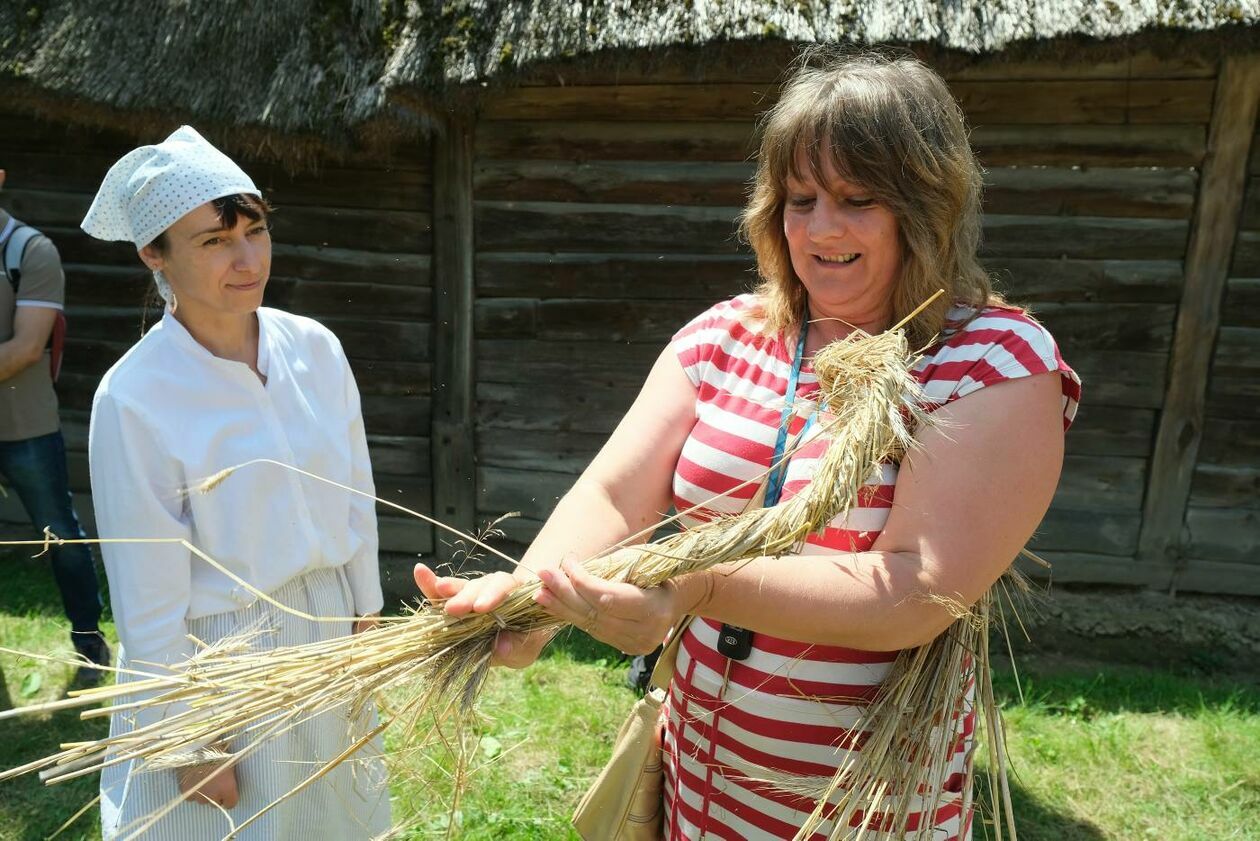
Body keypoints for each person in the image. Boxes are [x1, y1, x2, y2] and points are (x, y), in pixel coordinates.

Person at [415, 50, 1081, 840]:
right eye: (801, 199)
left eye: (857, 198)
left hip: (861, 807)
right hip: (699, 782)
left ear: (926, 204)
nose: (822, 228)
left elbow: (913, 588)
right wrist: (530, 600)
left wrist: (695, 584)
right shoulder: (727, 336)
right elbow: (611, 496)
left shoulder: (992, 361)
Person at [83, 127, 391, 839]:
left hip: (326, 635)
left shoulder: (314, 347)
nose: (247, 258)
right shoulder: (135, 396)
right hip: (214, 664)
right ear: (153, 256)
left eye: (253, 230)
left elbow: (356, 492)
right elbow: (147, 593)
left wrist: (364, 616)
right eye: (213, 242)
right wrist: (185, 741)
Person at [0, 168, 109, 683]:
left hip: (24, 424)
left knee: (59, 534)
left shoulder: (29, 251)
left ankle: (88, 641)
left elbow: (24, 350)